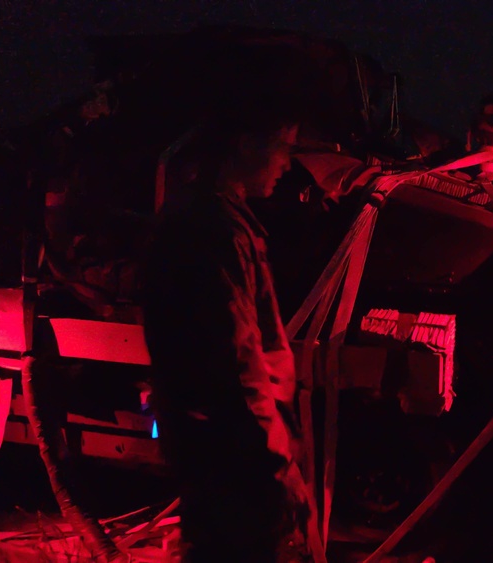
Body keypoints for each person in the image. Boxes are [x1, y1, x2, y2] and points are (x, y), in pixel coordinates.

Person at [142, 110, 310, 562]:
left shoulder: (216, 219)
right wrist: (276, 462)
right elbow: (234, 360)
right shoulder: (212, 228)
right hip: (232, 452)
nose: (286, 164)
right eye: (283, 148)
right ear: (243, 143)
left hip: (225, 445)